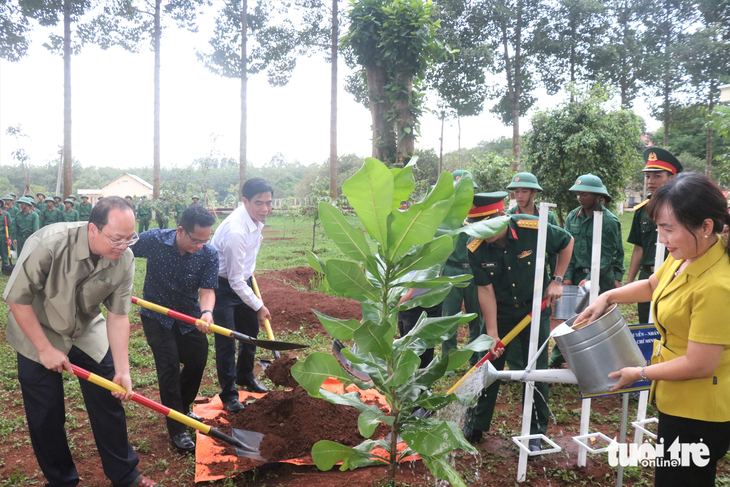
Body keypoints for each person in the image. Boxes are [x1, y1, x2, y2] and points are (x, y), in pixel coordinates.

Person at [576, 173, 730, 487]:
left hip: (700, 413)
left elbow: (700, 363)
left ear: (706, 226)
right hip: (678, 399)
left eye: (669, 229)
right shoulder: (685, 257)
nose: (661, 238)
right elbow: (652, 284)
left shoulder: (717, 287)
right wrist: (607, 297)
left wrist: (641, 372)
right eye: (659, 227)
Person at [3, 196, 157, 487]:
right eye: (116, 239)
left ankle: (125, 475)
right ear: (92, 230)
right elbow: (17, 299)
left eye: (129, 238)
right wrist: (45, 349)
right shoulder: (48, 244)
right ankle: (61, 481)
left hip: (85, 329)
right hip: (38, 330)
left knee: (109, 397)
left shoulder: (124, 259)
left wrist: (122, 370)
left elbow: (118, 315)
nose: (123, 246)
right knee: (46, 413)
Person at [463, 192, 574, 449]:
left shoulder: (530, 226)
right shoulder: (475, 247)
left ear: (501, 217)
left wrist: (556, 280)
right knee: (486, 365)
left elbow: (566, 242)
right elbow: (485, 289)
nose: (483, 234)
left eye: (488, 228)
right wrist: (492, 332)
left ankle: (535, 432)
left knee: (535, 366)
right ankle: (476, 423)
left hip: (534, 309)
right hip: (499, 312)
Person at [132, 205, 218, 453]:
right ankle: (178, 427)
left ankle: (182, 407)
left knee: (197, 360)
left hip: (190, 316)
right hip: (155, 316)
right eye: (196, 239)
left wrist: (207, 312)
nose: (200, 245)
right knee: (168, 367)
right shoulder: (154, 240)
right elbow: (121, 250)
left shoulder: (208, 254)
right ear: (181, 230)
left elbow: (208, 290)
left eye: (206, 239)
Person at [210, 178, 274, 411]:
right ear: (245, 201)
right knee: (227, 340)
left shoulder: (256, 220)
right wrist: (258, 305)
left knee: (250, 334)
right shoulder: (236, 231)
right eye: (259, 203)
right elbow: (234, 280)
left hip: (243, 281)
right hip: (223, 286)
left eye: (268, 202)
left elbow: (244, 271)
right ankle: (228, 395)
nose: (265, 209)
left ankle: (245, 376)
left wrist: (251, 283)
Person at [627, 148, 682, 324]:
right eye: (648, 176)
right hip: (647, 276)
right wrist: (630, 282)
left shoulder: (682, 208)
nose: (650, 181)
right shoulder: (642, 211)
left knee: (672, 324)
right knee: (645, 325)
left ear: (672, 177)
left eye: (657, 176)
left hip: (676, 275)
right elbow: (638, 248)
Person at [441, 171, 484, 366]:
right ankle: (448, 361)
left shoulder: (480, 214)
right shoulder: (443, 214)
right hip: (451, 270)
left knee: (477, 317)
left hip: (476, 273)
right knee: (449, 318)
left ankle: (474, 359)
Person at [562, 174, 624, 293]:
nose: (580, 198)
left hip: (602, 278)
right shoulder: (573, 217)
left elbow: (606, 256)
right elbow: (567, 249)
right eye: (578, 194)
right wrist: (568, 277)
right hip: (577, 276)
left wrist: (589, 278)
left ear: (597, 195)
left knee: (599, 311)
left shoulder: (608, 221)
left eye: (585, 195)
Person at [1, 198, 13, 268]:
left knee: (4, 253)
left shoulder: (6, 214)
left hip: (3, 235)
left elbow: (10, 227)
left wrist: (10, 238)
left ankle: (4, 269)